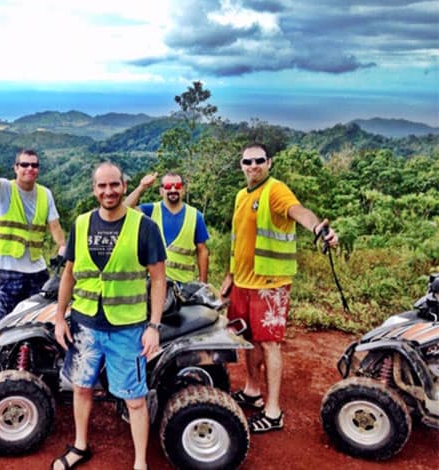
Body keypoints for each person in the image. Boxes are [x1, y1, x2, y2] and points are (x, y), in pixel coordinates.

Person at [52, 162, 166, 470]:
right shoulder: (81, 224)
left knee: (134, 397)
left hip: (127, 328)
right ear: (94, 190)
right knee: (82, 387)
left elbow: (158, 279)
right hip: (86, 325)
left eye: (114, 185)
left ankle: (140, 462)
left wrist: (153, 325)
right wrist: (60, 317)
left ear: (125, 186)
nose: (108, 191)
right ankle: (80, 446)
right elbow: (70, 274)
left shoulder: (144, 227)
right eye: (102, 186)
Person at [220, 142, 338, 433]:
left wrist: (319, 230)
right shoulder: (240, 196)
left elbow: (299, 211)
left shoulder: (275, 190)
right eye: (248, 162)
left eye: (259, 161)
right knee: (248, 339)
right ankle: (251, 390)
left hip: (269, 285)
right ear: (241, 165)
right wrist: (230, 275)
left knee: (270, 343)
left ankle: (273, 412)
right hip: (243, 282)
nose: (253, 166)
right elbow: (240, 240)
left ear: (269, 163)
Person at [0, 129, 66, 323]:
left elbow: (55, 225)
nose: (29, 168)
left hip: (37, 270)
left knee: (38, 320)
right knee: (6, 322)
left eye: (34, 165)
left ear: (38, 169)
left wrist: (62, 245)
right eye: (24, 164)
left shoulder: (45, 194)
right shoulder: (4, 189)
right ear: (15, 168)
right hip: (8, 270)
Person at [125, 171, 210, 283]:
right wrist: (142, 187)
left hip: (184, 285)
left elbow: (202, 251)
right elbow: (125, 210)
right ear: (161, 191)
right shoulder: (150, 210)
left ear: (183, 189)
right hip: (154, 283)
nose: (173, 190)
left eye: (177, 186)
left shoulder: (196, 216)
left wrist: (202, 283)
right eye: (168, 186)